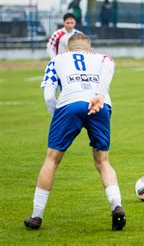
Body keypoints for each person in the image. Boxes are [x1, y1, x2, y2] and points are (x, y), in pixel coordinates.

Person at [24, 33, 126, 230]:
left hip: (69, 105)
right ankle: (117, 206)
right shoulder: (101, 57)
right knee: (102, 161)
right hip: (100, 106)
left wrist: (56, 115)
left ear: (68, 49)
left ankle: (36, 216)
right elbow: (109, 67)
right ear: (90, 48)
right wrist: (99, 95)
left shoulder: (57, 59)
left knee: (52, 159)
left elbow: (48, 95)